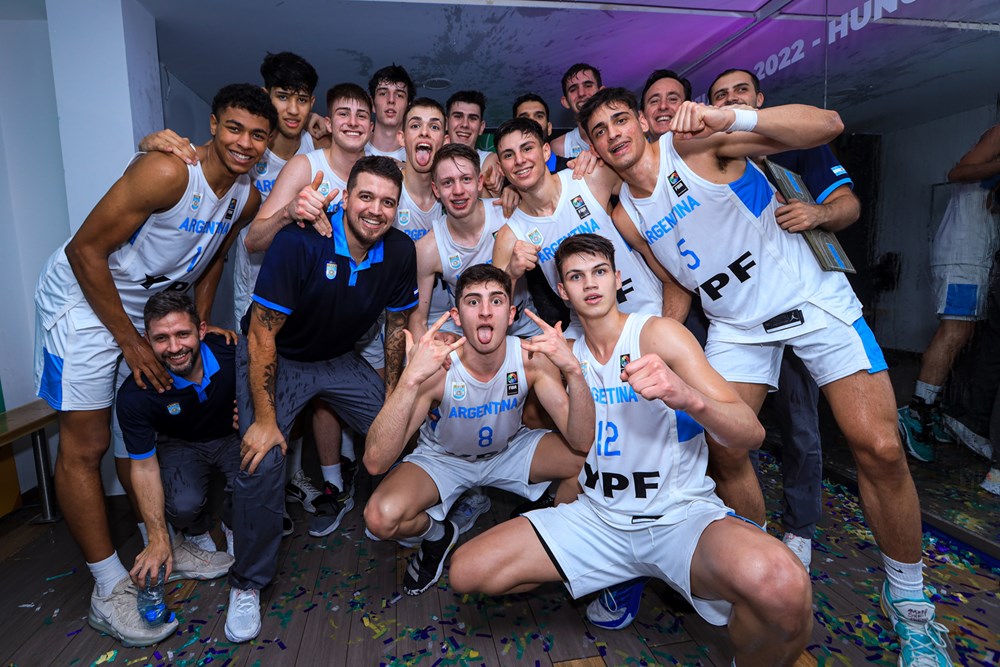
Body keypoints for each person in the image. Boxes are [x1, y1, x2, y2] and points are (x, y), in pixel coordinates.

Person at [579, 87, 953, 666]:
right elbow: (676, 280)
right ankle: (753, 571)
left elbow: (826, 124)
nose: (612, 134)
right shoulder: (626, 212)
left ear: (641, 124)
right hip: (736, 327)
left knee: (877, 445)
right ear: (594, 147)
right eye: (598, 130)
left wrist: (733, 115)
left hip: (811, 299)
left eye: (619, 119)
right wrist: (653, 343)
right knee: (725, 449)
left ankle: (909, 603)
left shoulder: (695, 144)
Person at [448, 235, 812, 666]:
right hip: (599, 520)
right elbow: (577, 440)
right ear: (562, 291)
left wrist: (685, 396)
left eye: (600, 272)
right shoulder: (563, 356)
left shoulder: (660, 335)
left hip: (678, 518)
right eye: (576, 277)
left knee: (783, 585)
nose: (591, 284)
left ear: (618, 278)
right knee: (467, 571)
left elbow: (749, 432)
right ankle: (619, 577)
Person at [34, 83, 273, 647]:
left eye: (257, 135)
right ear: (212, 124)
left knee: (129, 434)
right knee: (85, 445)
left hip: (143, 314)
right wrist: (132, 342)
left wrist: (200, 314)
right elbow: (83, 251)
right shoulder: (169, 173)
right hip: (84, 303)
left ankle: (155, 541)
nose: (244, 143)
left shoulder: (246, 195)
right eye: (234, 128)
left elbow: (214, 252)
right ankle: (107, 584)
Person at [224, 156, 417, 643]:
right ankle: (247, 582)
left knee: (402, 429)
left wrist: (394, 397)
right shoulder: (298, 241)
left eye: (388, 201)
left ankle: (409, 523)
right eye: (366, 197)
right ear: (346, 197)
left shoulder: (398, 251)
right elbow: (262, 335)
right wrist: (265, 419)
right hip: (279, 357)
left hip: (337, 359)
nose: (376, 209)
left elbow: (396, 330)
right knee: (261, 459)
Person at [708, 67, 862, 569]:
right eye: (719, 96)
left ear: (758, 99)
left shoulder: (798, 142)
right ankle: (744, 530)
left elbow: (847, 205)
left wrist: (818, 214)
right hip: (742, 316)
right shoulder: (707, 158)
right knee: (731, 430)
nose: (730, 100)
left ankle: (799, 529)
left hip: (805, 303)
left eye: (739, 93)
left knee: (800, 423)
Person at [364, 264, 593, 595]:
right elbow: (375, 462)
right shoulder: (438, 365)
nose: (485, 312)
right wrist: (410, 378)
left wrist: (573, 372)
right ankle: (437, 535)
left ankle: (548, 537)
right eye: (473, 302)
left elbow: (582, 440)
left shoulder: (530, 359)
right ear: (457, 316)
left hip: (509, 451)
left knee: (589, 462)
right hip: (445, 458)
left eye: (496, 301)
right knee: (380, 518)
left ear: (512, 313)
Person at [243, 82, 376, 534]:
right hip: (287, 329)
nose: (354, 121)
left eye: (363, 114)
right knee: (261, 448)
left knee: (391, 420)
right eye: (345, 113)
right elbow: (253, 239)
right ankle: (261, 531)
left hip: (342, 332)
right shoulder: (307, 165)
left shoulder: (380, 171)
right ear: (330, 121)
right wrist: (291, 212)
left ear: (372, 125)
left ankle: (384, 502)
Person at [491, 117, 669, 341]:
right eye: (508, 155)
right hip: (587, 336)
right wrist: (512, 274)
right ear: (501, 167)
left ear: (546, 152)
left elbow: (651, 182)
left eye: (527, 148)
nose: (519, 160)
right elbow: (492, 310)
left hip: (646, 313)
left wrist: (599, 154)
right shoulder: (510, 235)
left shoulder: (590, 177)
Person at [117, 293, 239, 585]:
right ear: (147, 340)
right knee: (182, 505)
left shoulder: (233, 351)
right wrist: (159, 539)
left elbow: (274, 381)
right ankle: (197, 531)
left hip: (233, 436)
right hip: (181, 443)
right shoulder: (135, 394)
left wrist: (256, 413)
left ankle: (235, 523)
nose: (174, 348)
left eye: (183, 334)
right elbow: (144, 467)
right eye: (161, 338)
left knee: (259, 474)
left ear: (202, 330)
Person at [898, 124, 1000, 462]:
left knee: (964, 333)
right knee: (955, 331)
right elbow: (958, 172)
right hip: (964, 254)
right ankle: (917, 413)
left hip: (979, 256)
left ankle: (934, 408)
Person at [410, 143, 539, 340]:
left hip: (523, 330)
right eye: (447, 183)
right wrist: (425, 355)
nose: (458, 190)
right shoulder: (428, 248)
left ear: (480, 182)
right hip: (467, 337)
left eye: (466, 179)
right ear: (436, 190)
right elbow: (418, 320)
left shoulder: (508, 215)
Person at [445, 90, 503, 195]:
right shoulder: (433, 156)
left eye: (472, 118)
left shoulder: (489, 159)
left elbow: (492, 208)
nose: (465, 124)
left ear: (481, 127)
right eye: (458, 116)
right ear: (446, 123)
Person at [550, 63, 603, 159]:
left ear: (602, 92)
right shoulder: (559, 147)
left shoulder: (617, 133)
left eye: (588, 85)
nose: (581, 93)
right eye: (573, 89)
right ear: (565, 102)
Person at [365, 64, 414, 161]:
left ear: (408, 107)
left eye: (399, 95)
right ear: (372, 104)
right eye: (383, 93)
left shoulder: (417, 155)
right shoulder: (354, 147)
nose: (391, 100)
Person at [640, 69, 691, 142]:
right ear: (642, 118)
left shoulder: (707, 151)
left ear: (689, 108)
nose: (663, 106)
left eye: (672, 99)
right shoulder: (634, 153)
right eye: (654, 101)